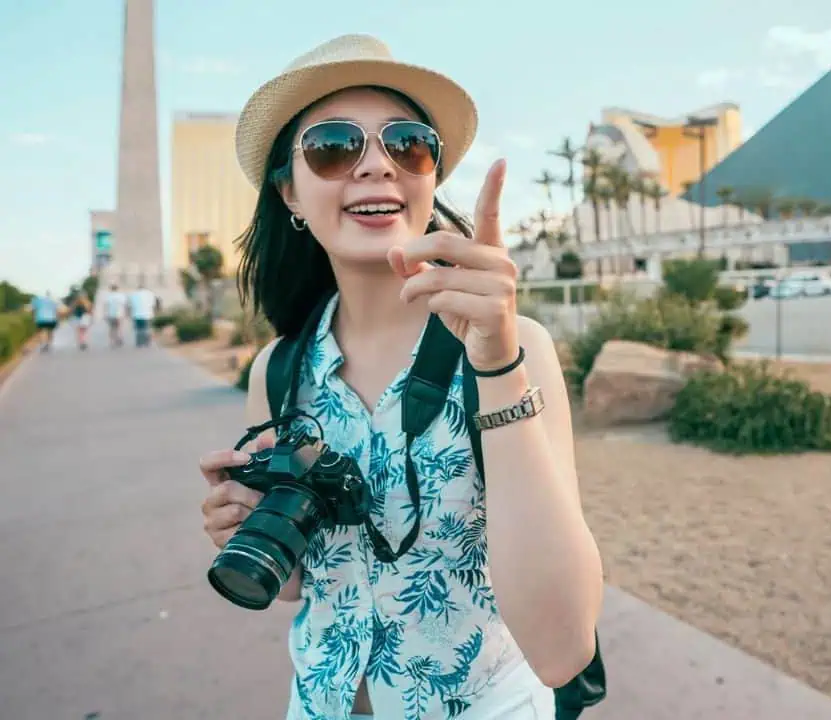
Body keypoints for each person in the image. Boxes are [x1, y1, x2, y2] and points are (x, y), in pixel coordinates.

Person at [197, 35, 602, 720]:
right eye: (333, 146)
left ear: (430, 178)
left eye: (407, 144)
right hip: (317, 704)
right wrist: (248, 522)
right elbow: (299, 587)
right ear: (289, 192)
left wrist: (498, 363)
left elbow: (563, 651)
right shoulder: (281, 367)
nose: (377, 165)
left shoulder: (513, 347)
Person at [103, 283, 128, 347]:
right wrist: (125, 314)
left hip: (110, 314)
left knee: (111, 328)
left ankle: (112, 341)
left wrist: (105, 315)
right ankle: (119, 338)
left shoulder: (108, 296)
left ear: (111, 289)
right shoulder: (121, 296)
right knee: (119, 327)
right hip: (119, 314)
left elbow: (106, 306)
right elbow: (124, 305)